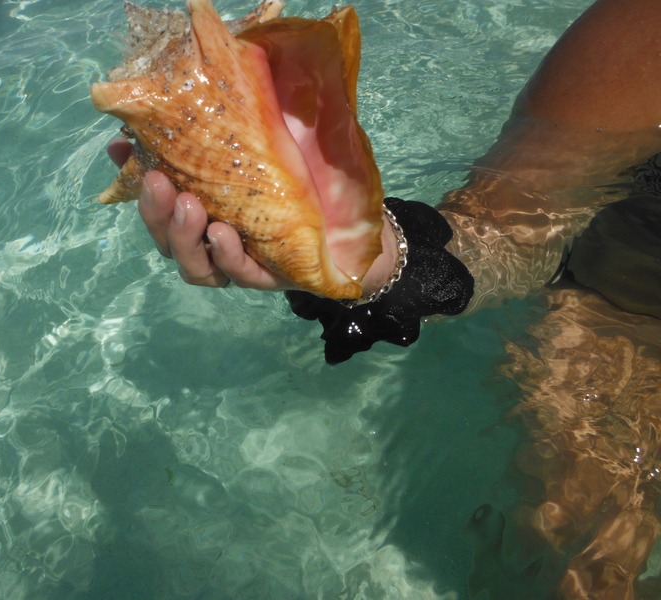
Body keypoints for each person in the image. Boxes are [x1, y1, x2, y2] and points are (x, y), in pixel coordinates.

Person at [105, 0, 661, 597]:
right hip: (625, 319)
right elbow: (512, 224)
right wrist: (385, 262)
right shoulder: (640, 34)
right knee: (566, 562)